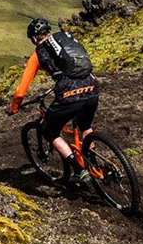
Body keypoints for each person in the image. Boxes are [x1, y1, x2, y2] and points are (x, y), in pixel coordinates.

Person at [7, 18, 99, 182]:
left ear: (34, 38)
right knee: (85, 126)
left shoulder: (38, 52)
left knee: (49, 131)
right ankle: (94, 163)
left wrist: (14, 107)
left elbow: (21, 91)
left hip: (70, 94)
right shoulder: (65, 39)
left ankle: (79, 170)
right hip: (91, 87)